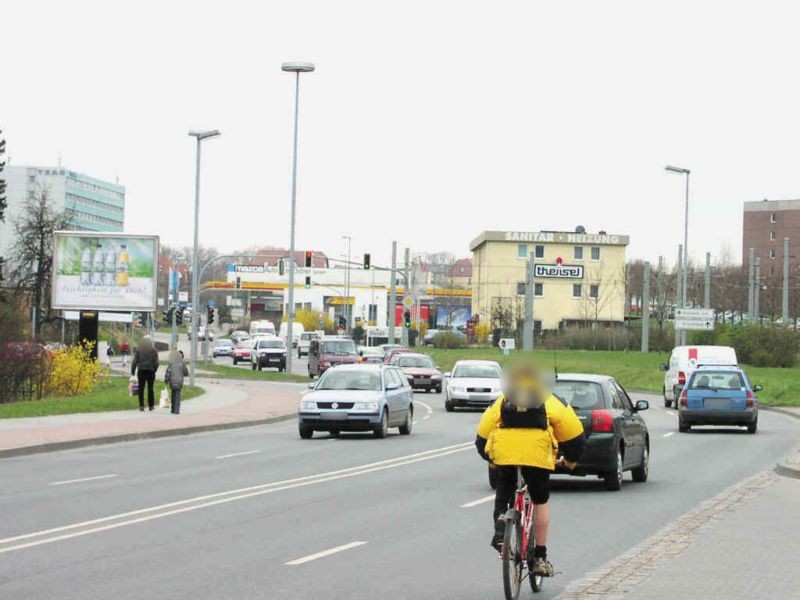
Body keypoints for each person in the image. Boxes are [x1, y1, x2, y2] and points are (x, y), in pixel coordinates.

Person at [475, 362, 585, 577]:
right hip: (537, 456)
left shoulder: (503, 400)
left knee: (504, 486)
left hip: (505, 454)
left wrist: (492, 460)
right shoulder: (550, 400)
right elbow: (575, 439)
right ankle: (540, 558)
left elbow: (481, 438)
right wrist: (569, 463)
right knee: (540, 500)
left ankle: (501, 522)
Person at [131, 336, 159, 411]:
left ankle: (141, 406)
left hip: (141, 371)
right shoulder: (154, 350)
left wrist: (133, 372)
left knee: (141, 389)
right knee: (150, 388)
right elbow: (157, 363)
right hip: (151, 371)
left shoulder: (139, 350)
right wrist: (154, 370)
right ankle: (151, 405)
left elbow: (134, 362)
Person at [164, 349, 189, 415]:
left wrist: (166, 380)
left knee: (173, 394)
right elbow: (186, 373)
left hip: (172, 381)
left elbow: (168, 373)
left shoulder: (171, 364)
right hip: (179, 381)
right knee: (177, 395)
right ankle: (177, 410)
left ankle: (173, 409)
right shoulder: (183, 364)